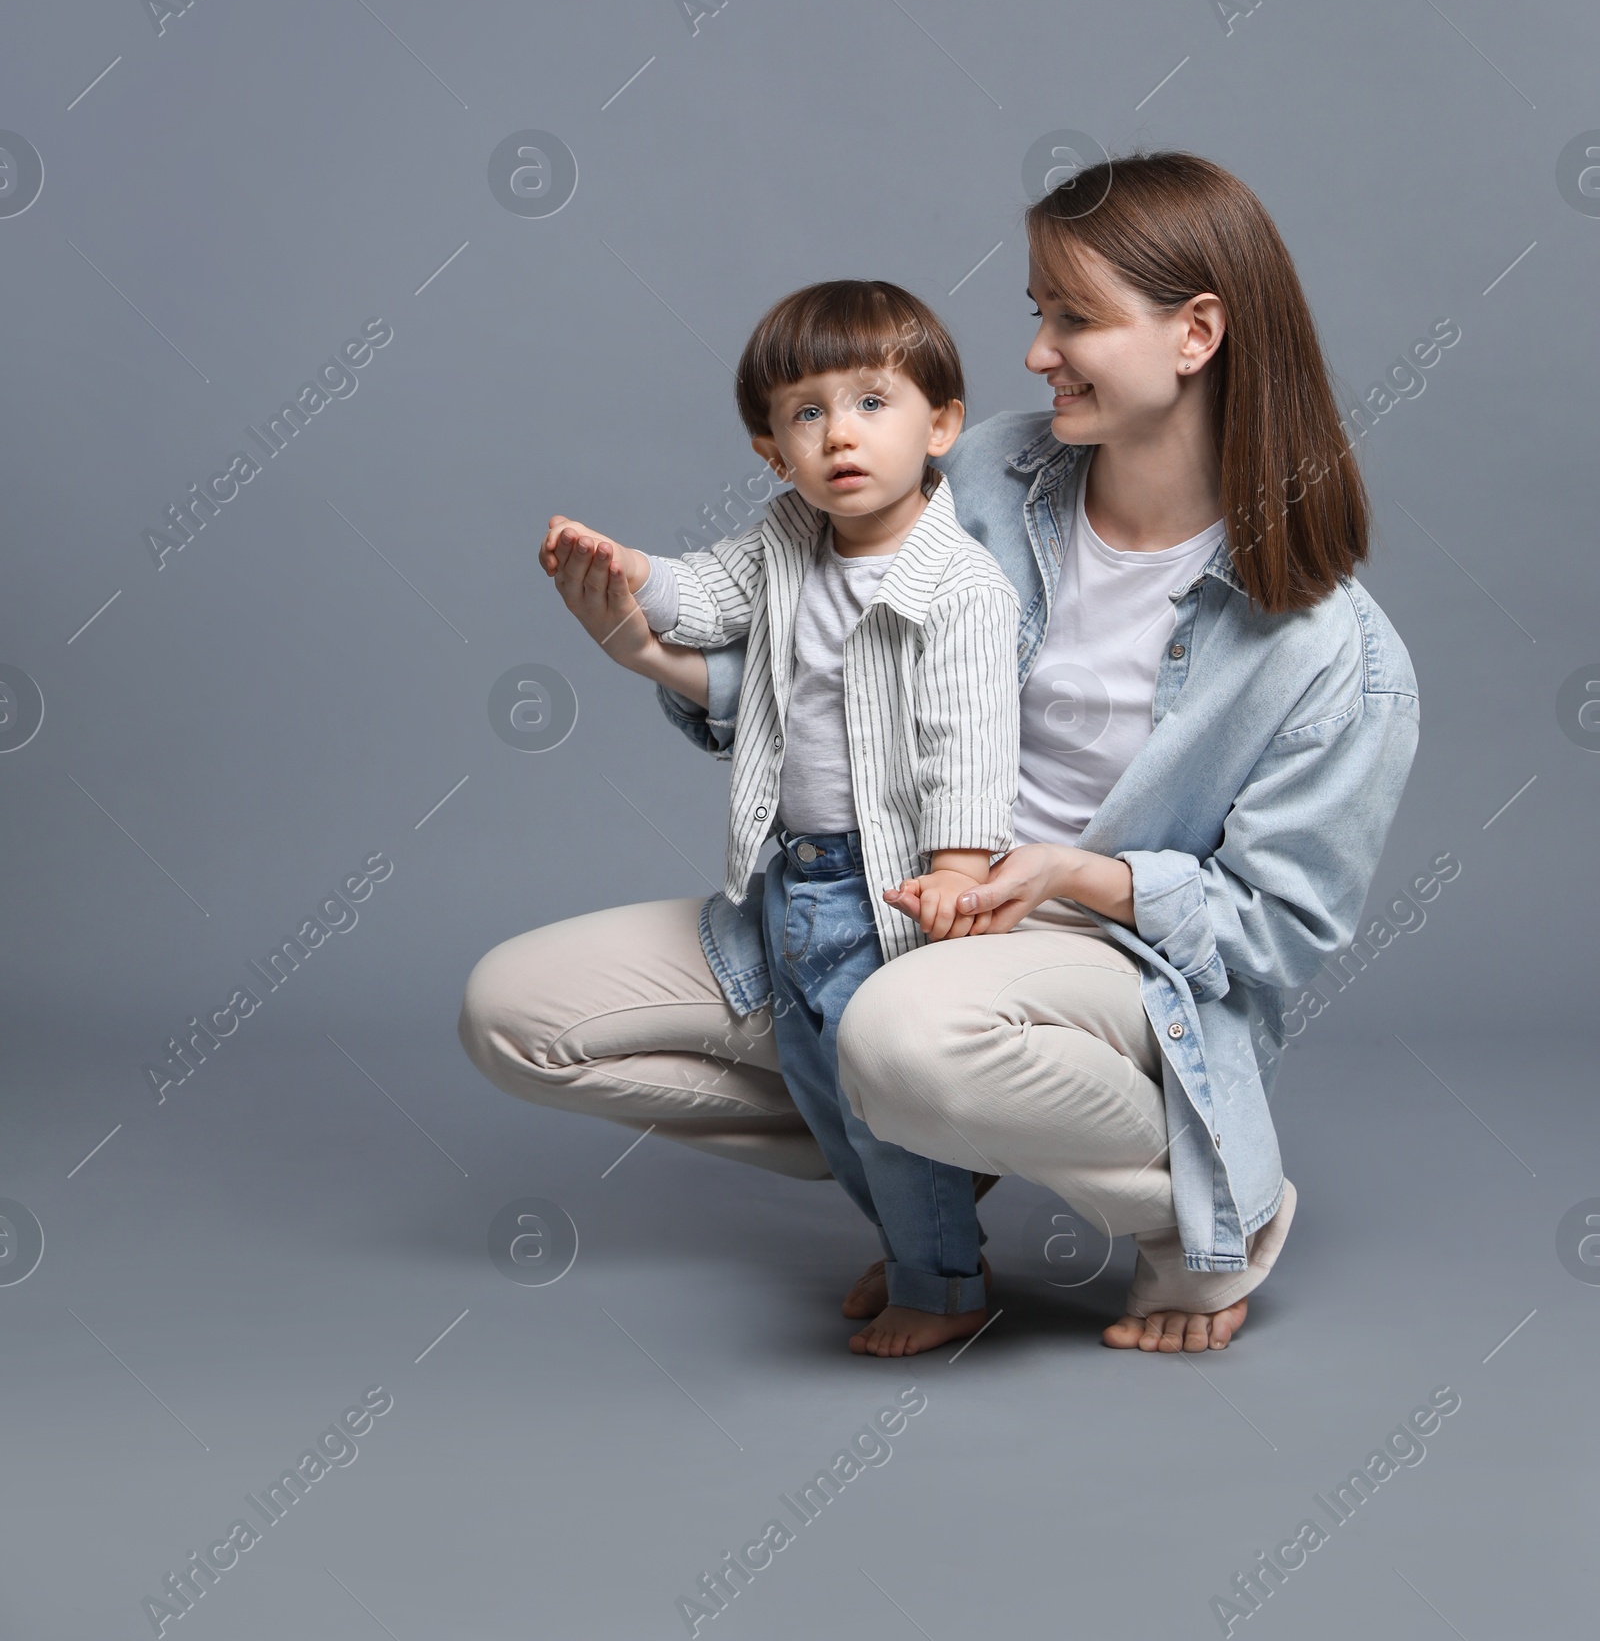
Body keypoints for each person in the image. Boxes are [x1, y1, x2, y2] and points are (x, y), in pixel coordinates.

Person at [459, 153, 1419, 1353]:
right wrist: (653, 656)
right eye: (1037, 313)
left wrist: (1065, 874)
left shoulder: (1333, 652)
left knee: (904, 1032)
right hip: (874, 897)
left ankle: (1206, 1210)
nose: (1034, 351)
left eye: (1074, 318)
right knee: (515, 1014)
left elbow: (1277, 931)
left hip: (1095, 955)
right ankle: (922, 1160)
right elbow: (802, 661)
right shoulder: (975, 479)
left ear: (1196, 334)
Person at [528, 280, 1023, 1356]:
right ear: (772, 451)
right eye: (807, 415)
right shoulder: (788, 538)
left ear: (940, 424)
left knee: (881, 1106)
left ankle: (942, 1289)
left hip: (883, 886)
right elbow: (703, 595)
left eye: (872, 403)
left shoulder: (962, 588)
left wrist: (956, 868)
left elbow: (969, 743)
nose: (839, 434)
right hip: (790, 883)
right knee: (824, 1094)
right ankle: (920, 1249)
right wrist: (628, 572)